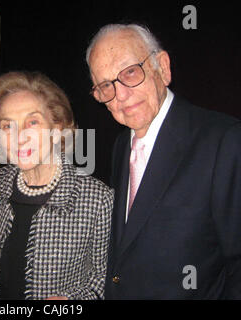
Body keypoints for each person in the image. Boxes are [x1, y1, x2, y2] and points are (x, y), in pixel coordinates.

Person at [86, 23, 241, 299]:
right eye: (106, 85)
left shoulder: (224, 141)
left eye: (130, 72)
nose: (120, 95)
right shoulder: (122, 144)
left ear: (163, 67)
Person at [0, 71, 113, 300]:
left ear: (57, 128)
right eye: (7, 126)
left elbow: (106, 280)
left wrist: (68, 301)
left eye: (32, 122)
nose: (19, 137)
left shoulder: (97, 199)